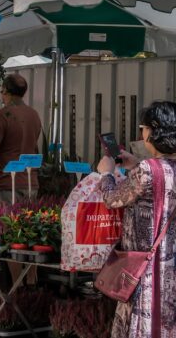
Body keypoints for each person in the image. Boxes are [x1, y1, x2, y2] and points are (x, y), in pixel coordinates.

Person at [97, 101, 176, 338]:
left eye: (143, 128)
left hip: (145, 265)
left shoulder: (148, 170)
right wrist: (136, 164)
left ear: (153, 130)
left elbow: (112, 199)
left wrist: (106, 174)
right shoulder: (155, 168)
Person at [0, 74, 43, 201]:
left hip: (7, 184)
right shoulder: (34, 115)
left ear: (5, 90)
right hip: (31, 183)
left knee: (7, 221)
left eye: (1, 91)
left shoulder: (1, 115)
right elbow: (34, 147)